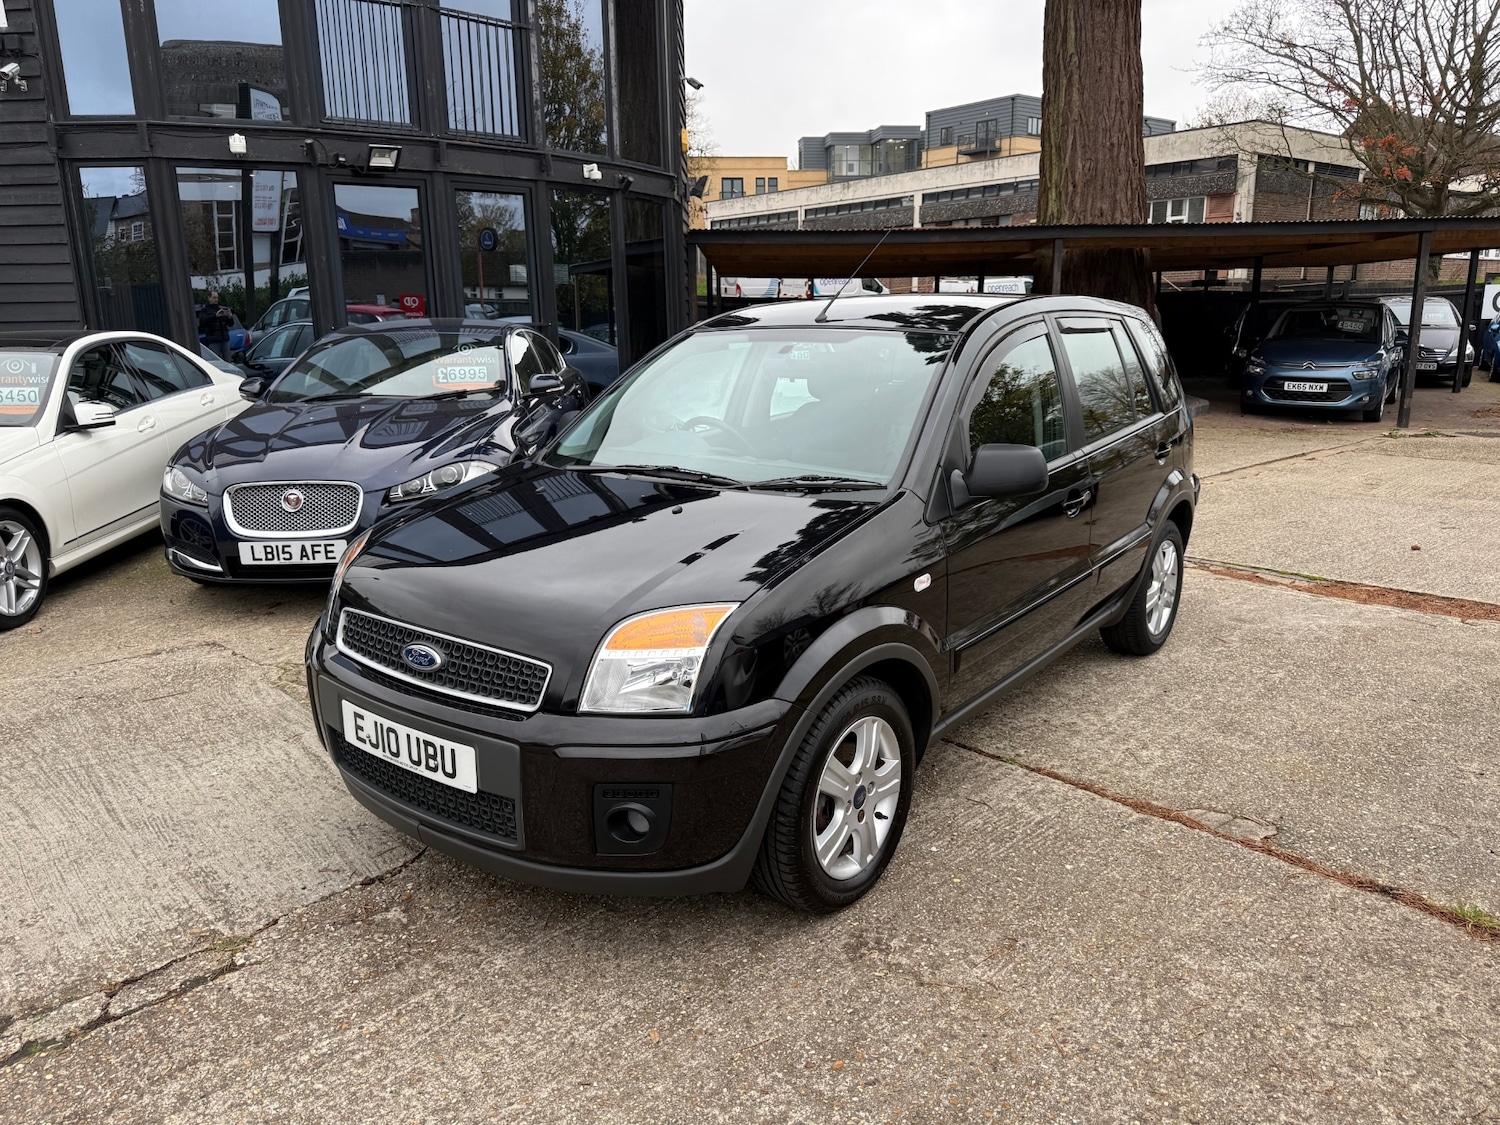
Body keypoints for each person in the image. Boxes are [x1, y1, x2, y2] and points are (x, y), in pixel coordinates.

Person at [198, 291, 232, 359]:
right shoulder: (205, 310)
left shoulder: (221, 309)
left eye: (217, 298)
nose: (216, 300)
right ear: (209, 298)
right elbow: (202, 322)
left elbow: (230, 324)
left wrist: (230, 317)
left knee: (228, 360)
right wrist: (215, 316)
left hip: (224, 339)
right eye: (214, 298)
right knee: (215, 361)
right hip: (213, 340)